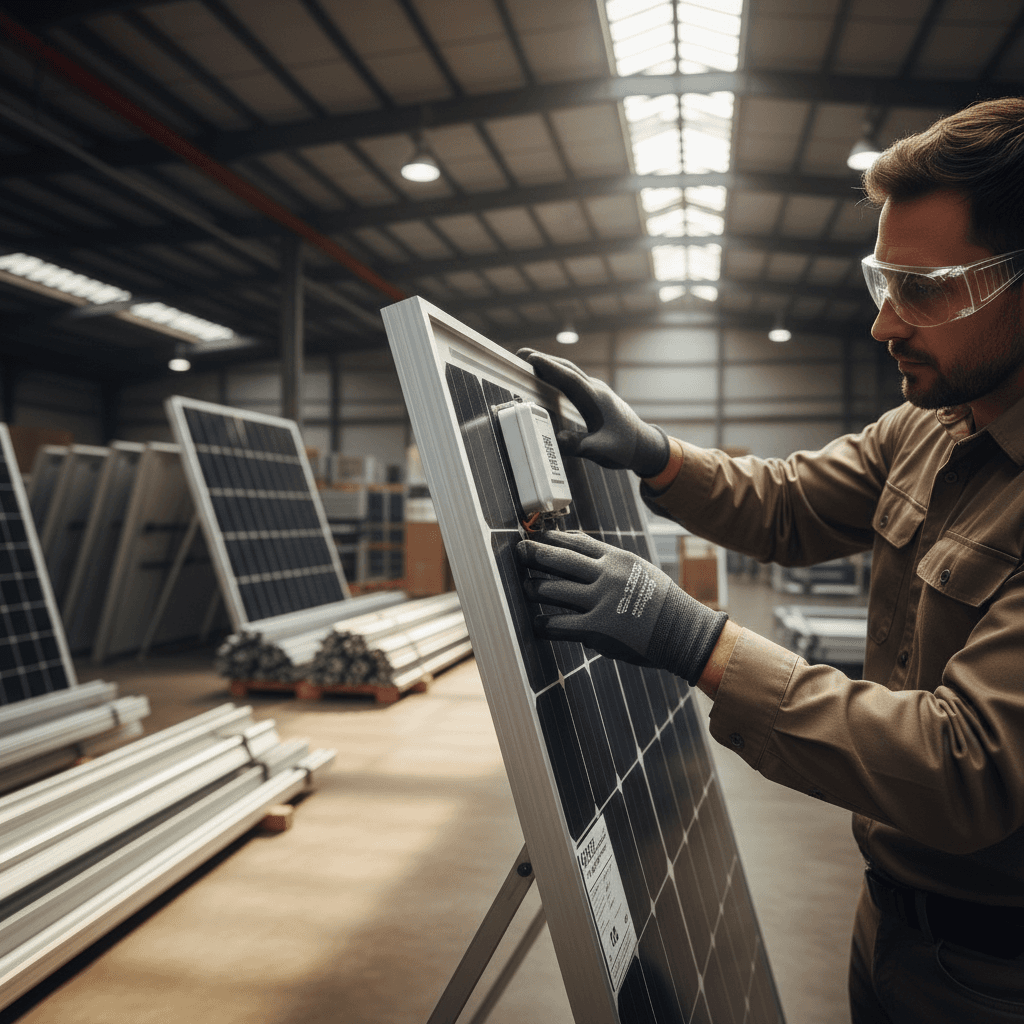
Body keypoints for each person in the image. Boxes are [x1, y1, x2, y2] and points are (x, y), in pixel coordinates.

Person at [514, 96, 1024, 1023]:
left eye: (924, 289)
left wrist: (697, 642)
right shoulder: (932, 424)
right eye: (884, 285)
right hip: (894, 923)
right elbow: (791, 502)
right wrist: (659, 456)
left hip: (997, 974)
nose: (885, 326)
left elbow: (966, 764)